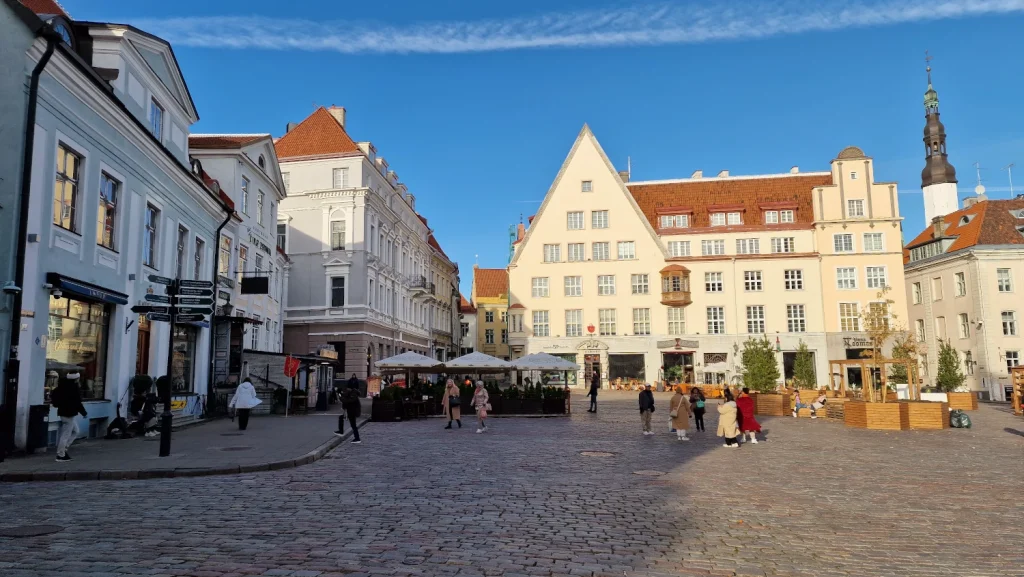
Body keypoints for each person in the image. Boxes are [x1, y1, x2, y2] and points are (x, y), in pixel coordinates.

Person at [51, 372, 87, 462]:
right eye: (78, 378)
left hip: (63, 413)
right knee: (66, 434)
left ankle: (64, 449)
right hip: (69, 414)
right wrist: (84, 413)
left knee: (76, 431)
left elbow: (54, 399)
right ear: (76, 379)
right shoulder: (73, 389)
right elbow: (77, 403)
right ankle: (60, 455)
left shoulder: (61, 387)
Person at [339, 377, 362, 443]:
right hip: (350, 411)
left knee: (353, 425)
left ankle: (357, 438)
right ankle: (341, 431)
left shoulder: (353, 394)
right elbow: (346, 400)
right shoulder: (350, 393)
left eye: (346, 389)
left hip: (353, 412)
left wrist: (341, 398)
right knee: (341, 418)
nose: (346, 390)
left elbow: (348, 401)